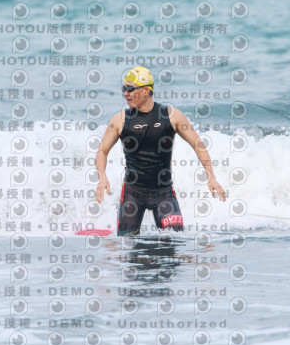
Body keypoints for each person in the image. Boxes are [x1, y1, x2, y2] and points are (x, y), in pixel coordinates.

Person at [95, 66, 226, 236]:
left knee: (174, 240)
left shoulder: (171, 116)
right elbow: (102, 151)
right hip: (132, 194)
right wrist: (102, 177)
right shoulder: (120, 120)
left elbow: (198, 145)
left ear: (146, 90)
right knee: (127, 244)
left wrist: (211, 177)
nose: (125, 93)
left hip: (163, 193)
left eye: (130, 89)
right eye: (123, 89)